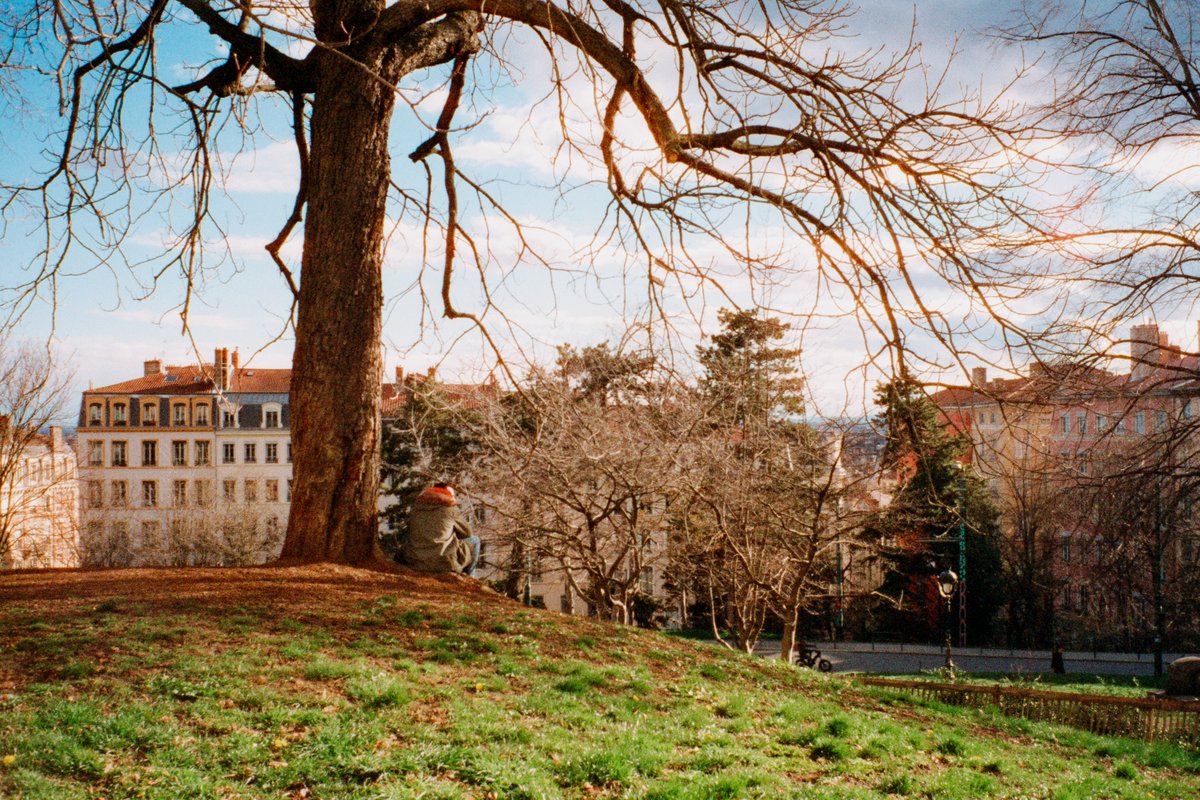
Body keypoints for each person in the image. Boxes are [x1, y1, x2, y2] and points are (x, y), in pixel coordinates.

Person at [401, 482, 480, 576]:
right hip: (444, 563)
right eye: (452, 495)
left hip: (416, 561)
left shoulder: (415, 509)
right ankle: (471, 577)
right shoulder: (450, 509)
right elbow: (467, 533)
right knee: (474, 540)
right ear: (447, 496)